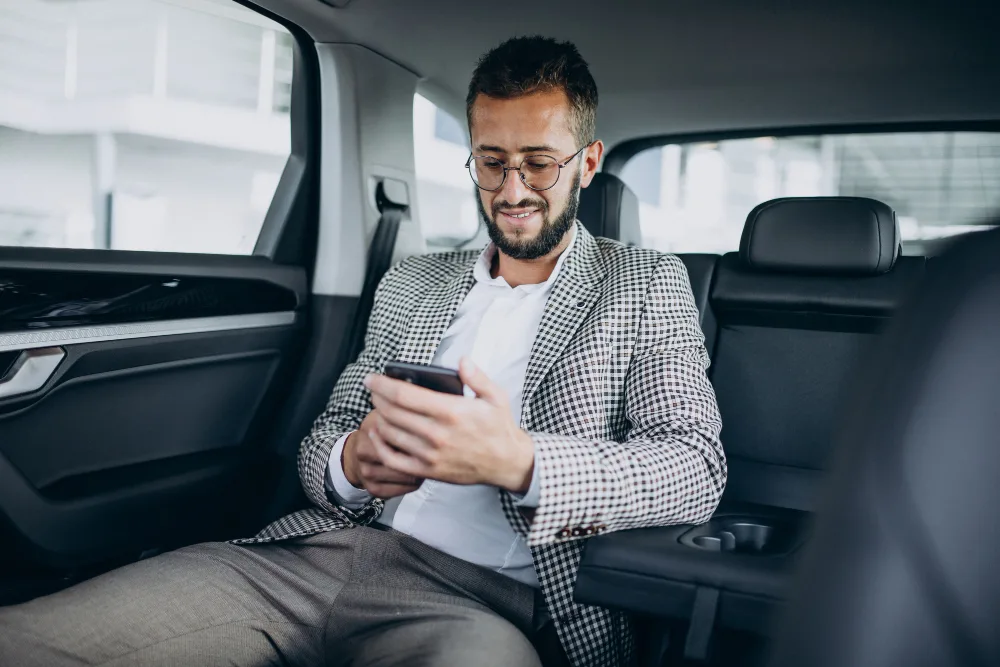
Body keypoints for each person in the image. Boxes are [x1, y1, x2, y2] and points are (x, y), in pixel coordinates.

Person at [0, 36, 726, 667]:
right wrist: (350, 464)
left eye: (538, 163)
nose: (512, 190)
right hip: (317, 558)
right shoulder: (412, 281)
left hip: (490, 602)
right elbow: (331, 428)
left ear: (588, 161)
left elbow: (696, 463)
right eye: (491, 161)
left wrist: (521, 462)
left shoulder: (645, 283)